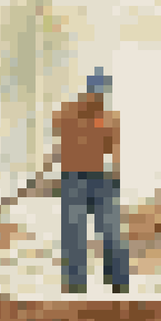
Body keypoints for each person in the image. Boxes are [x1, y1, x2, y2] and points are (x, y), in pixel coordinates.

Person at [50, 68, 126, 294]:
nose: (98, 98)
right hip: (72, 179)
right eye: (95, 92)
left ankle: (118, 282)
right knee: (74, 234)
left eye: (102, 94)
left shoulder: (109, 118)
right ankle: (75, 285)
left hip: (100, 179)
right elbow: (60, 146)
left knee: (111, 231)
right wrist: (55, 175)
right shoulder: (69, 113)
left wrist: (116, 177)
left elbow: (115, 150)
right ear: (87, 91)